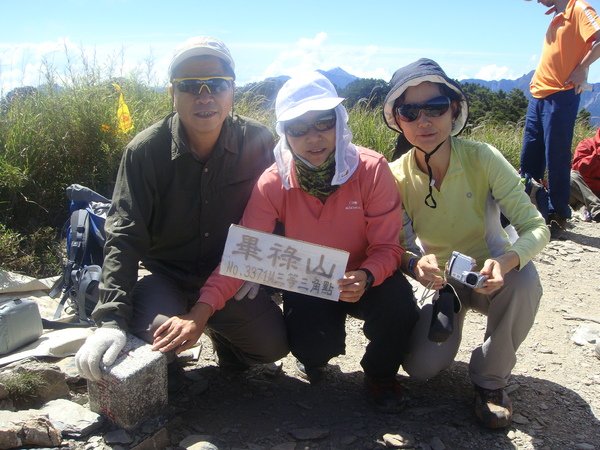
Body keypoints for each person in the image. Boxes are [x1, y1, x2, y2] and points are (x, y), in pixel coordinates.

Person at [198, 71, 419, 413]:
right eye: (298, 129)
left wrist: (368, 276)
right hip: (312, 280)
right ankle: (315, 357)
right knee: (311, 348)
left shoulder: (371, 170)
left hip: (368, 275)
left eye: (323, 123)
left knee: (399, 306)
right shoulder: (273, 183)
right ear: (284, 133)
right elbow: (244, 254)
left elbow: (388, 248)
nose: (313, 138)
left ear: (339, 122)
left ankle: (381, 374)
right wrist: (203, 310)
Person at [75, 36, 288, 380]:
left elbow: (284, 212)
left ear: (232, 91)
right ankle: (150, 322)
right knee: (163, 341)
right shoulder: (145, 151)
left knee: (272, 347)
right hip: (168, 277)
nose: (205, 96)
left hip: (228, 279)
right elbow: (124, 235)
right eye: (190, 86)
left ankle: (226, 342)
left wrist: (261, 271)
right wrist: (111, 320)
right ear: (172, 94)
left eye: (217, 84)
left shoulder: (260, 142)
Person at [382, 58, 550, 428]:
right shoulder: (395, 176)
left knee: (524, 281)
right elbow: (396, 245)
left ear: (453, 110)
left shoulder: (482, 158)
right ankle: (452, 337)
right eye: (409, 111)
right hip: (442, 283)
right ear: (397, 119)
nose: (423, 121)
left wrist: (506, 262)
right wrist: (415, 264)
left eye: (435, 108)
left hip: (495, 274)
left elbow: (536, 227)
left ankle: (490, 380)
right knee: (420, 369)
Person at [520, 0, 600, 234]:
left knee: (556, 155)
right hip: (538, 94)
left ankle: (557, 214)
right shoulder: (560, 13)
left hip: (561, 94)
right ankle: (527, 210)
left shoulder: (579, 8)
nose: (537, 1)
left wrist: (582, 68)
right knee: (529, 156)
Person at [570, 127, 600, 222]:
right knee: (570, 177)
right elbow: (579, 169)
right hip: (583, 191)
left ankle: (584, 208)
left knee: (578, 203)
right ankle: (596, 209)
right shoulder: (585, 144)